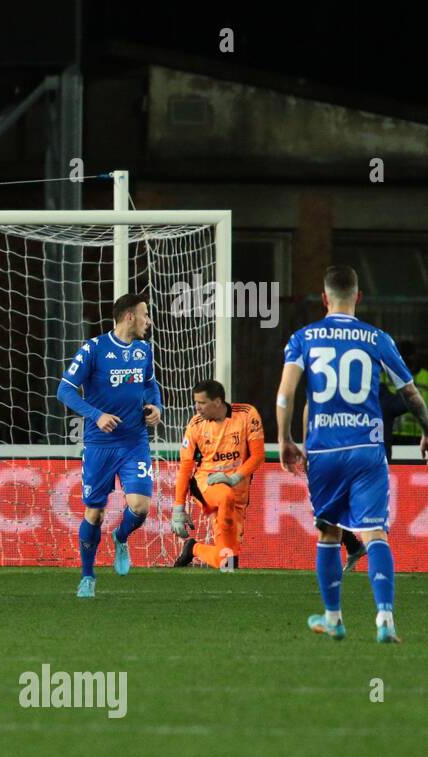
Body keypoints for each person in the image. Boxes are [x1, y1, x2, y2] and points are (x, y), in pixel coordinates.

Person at [275, 266, 428, 644]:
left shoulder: (303, 338)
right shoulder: (377, 338)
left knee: (328, 531)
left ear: (325, 299)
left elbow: (287, 393)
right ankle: (385, 620)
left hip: (325, 450)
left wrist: (285, 439)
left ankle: (333, 618)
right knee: (375, 532)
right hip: (367, 448)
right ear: (358, 297)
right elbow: (409, 393)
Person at [55, 294, 163, 598]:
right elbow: (63, 390)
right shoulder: (94, 349)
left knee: (140, 506)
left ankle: (121, 536)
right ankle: (88, 577)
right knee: (94, 513)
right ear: (129, 316)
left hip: (134, 442)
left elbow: (150, 386)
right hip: (100, 444)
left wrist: (156, 408)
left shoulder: (144, 351)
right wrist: (96, 414)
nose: (148, 321)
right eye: (145, 315)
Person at [170, 381, 265, 570]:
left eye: (202, 403)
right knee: (225, 495)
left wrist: (234, 478)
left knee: (227, 563)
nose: (197, 407)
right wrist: (178, 508)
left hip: (238, 491)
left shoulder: (247, 415)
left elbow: (258, 456)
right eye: (195, 402)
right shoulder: (195, 425)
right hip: (207, 487)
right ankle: (215, 531)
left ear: (218, 402)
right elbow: (186, 468)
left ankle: (193, 548)